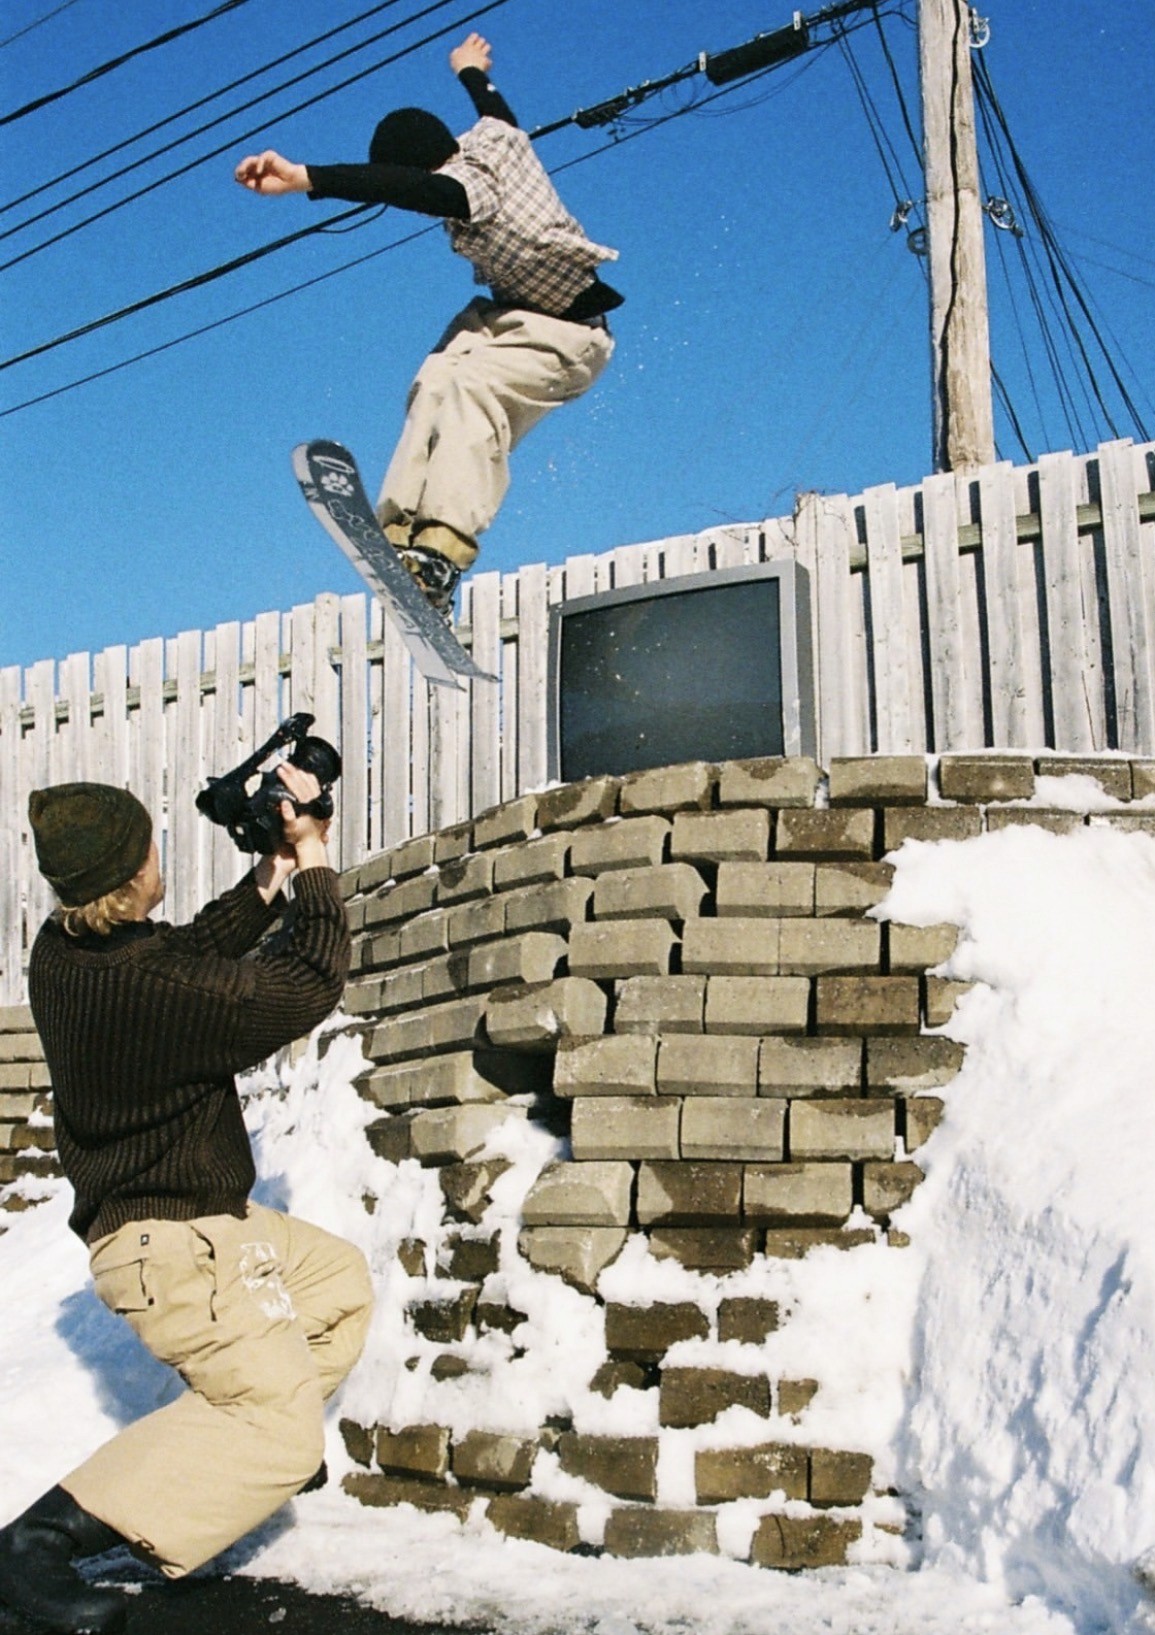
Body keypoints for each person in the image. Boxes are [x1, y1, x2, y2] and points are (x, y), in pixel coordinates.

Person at [0, 771, 371, 1635]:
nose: (158, 855)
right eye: (149, 848)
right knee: (279, 1432)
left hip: (203, 1224)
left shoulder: (63, 952)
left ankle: (243, 1450)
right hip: (173, 1247)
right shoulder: (151, 989)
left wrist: (267, 877)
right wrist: (313, 852)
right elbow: (310, 981)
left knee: (336, 1283)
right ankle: (30, 1550)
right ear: (130, 878)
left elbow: (189, 952)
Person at [235, 31, 622, 620]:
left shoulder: (467, 187)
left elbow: (411, 187)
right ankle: (400, 534)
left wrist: (307, 177)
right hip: (507, 317)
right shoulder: (496, 139)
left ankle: (442, 551)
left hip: (569, 338)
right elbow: (497, 111)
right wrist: (471, 70)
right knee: (436, 380)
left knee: (471, 393)